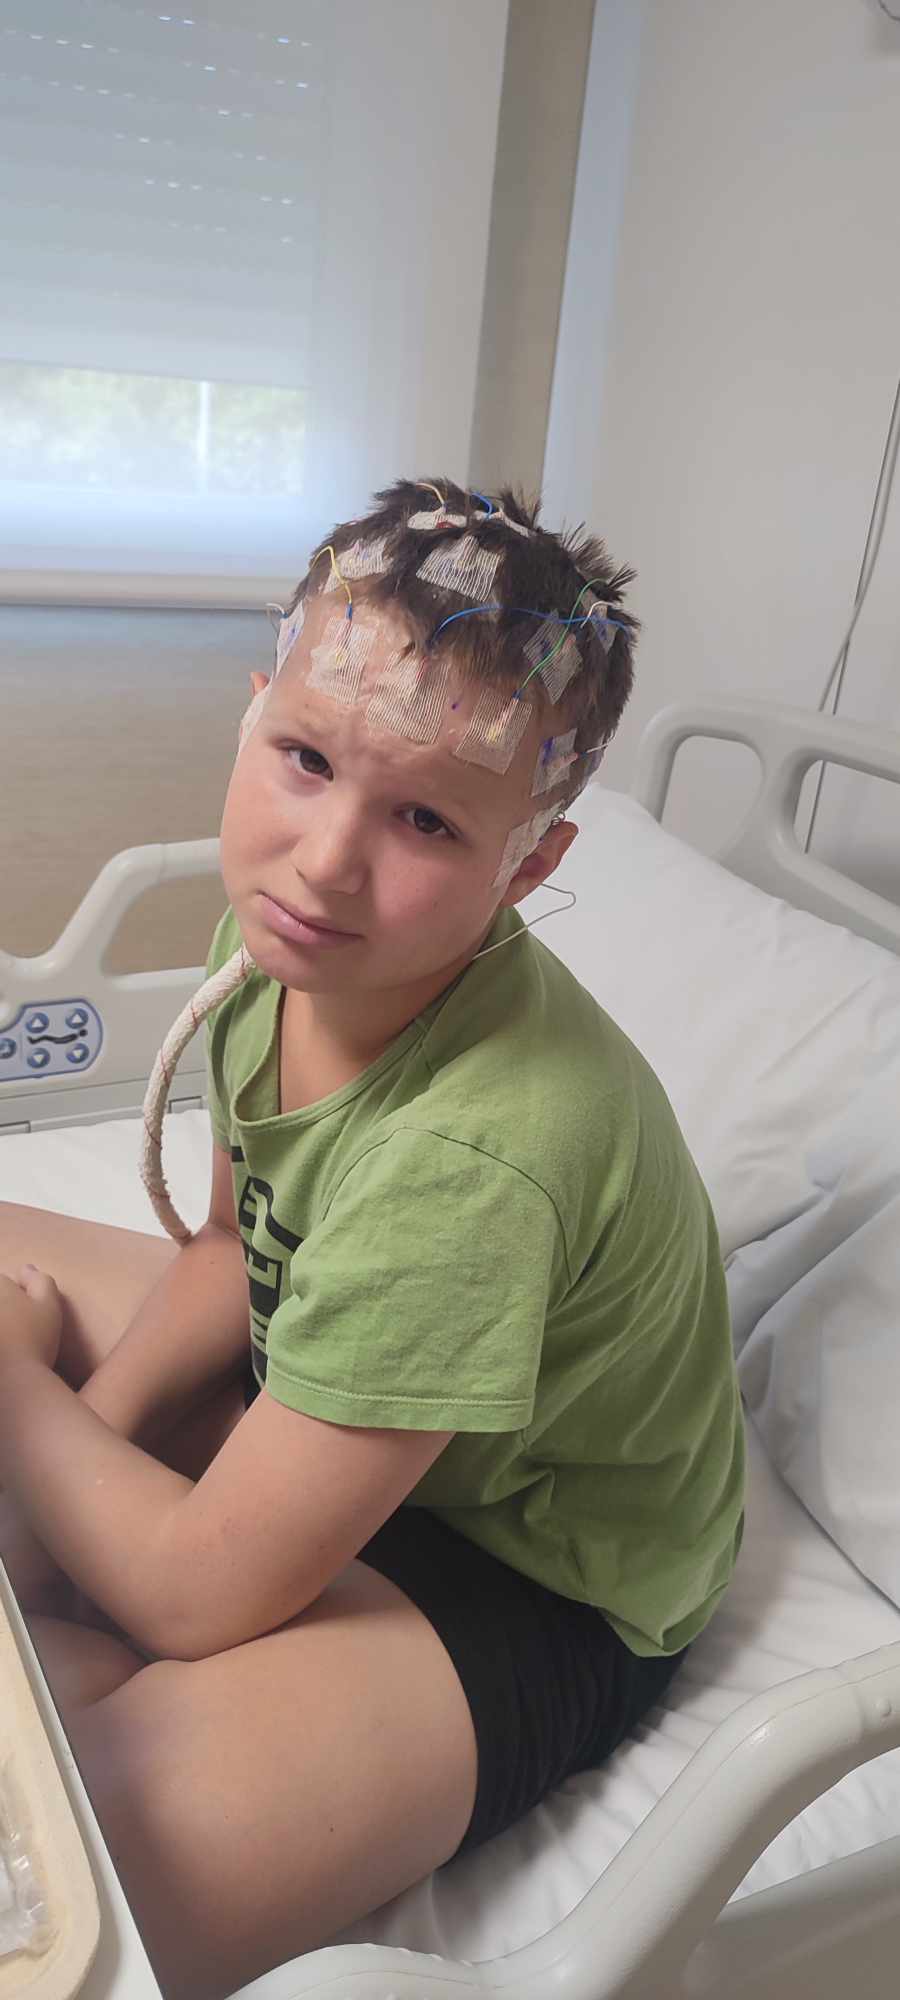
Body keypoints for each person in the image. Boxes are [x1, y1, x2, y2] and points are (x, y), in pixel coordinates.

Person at [0, 479, 745, 2000]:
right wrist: (91, 1442)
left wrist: (19, 1398)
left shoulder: (477, 1159)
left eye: (424, 820)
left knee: (76, 1881)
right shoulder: (279, 948)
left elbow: (199, 1593)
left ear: (527, 865)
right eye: (306, 759)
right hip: (345, 1372)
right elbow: (234, 1247)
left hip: (528, 1560)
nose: (326, 861)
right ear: (252, 716)